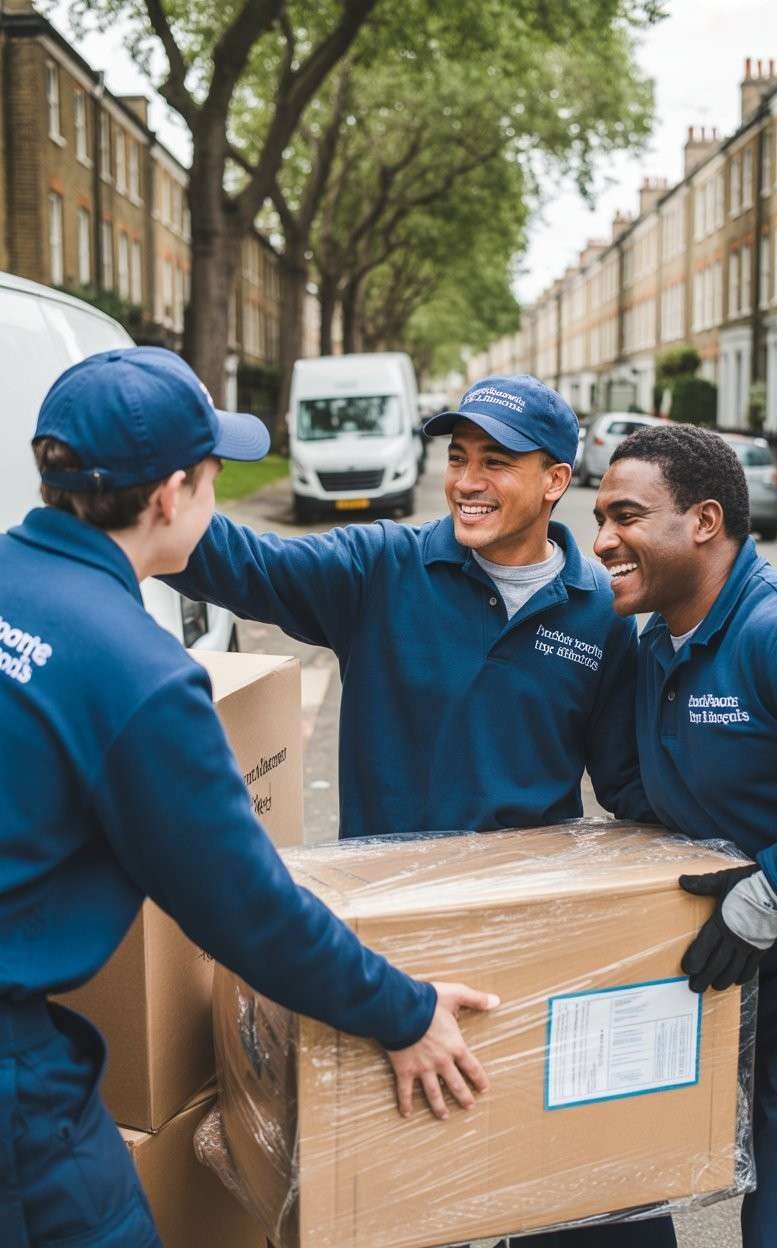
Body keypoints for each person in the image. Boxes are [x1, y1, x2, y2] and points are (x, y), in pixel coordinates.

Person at [0, 346, 497, 1248]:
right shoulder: (139, 674)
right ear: (168, 498)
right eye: (214, 475)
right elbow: (246, 910)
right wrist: (406, 1010)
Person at [166, 373, 676, 1248]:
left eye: (497, 462)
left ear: (557, 481)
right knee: (396, 1203)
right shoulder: (380, 567)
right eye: (458, 457)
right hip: (389, 955)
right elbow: (236, 563)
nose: (468, 479)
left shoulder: (598, 614)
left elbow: (626, 787)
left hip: (530, 940)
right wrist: (153, 482)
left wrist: (722, 841)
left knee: (578, 1199)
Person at [593, 423, 777, 1248]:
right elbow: (654, 795)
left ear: (703, 521)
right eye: (599, 518)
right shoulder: (659, 642)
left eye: (626, 515)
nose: (602, 541)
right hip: (738, 987)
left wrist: (770, 892)